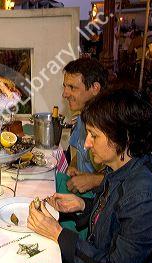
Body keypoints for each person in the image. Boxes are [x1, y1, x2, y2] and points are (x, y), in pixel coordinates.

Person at [28, 88, 152, 263]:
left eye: (94, 135)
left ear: (124, 137)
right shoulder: (122, 165)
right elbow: (118, 216)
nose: (87, 144)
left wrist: (58, 233)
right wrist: (83, 205)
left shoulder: (145, 196)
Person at [62, 58, 107, 193]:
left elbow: (125, 176)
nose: (64, 94)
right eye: (64, 86)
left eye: (72, 87)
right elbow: (81, 153)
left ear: (95, 88)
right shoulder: (82, 118)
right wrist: (73, 167)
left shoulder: (109, 125)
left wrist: (92, 180)